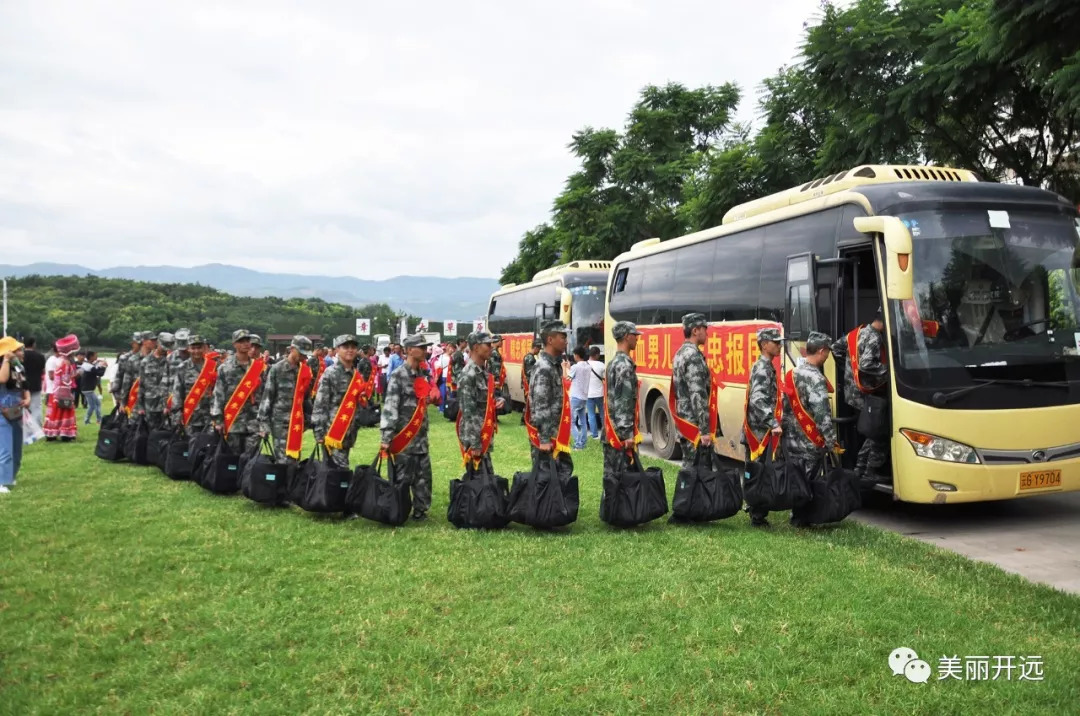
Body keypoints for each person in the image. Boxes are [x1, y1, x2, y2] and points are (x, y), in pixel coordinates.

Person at [783, 331, 843, 528]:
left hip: (792, 436)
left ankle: (796, 513)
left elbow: (784, 406)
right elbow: (821, 413)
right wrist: (830, 439)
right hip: (810, 440)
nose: (827, 357)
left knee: (797, 475)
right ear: (821, 351)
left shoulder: (792, 373)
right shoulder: (815, 378)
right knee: (809, 478)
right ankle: (801, 517)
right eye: (827, 353)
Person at [380, 334, 435, 520]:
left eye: (426, 347)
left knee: (423, 476)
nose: (425, 350)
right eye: (421, 347)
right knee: (403, 477)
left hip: (420, 436)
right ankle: (399, 507)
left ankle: (421, 509)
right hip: (404, 436)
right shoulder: (398, 375)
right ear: (409, 350)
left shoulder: (422, 374)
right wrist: (386, 437)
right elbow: (390, 407)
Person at [833, 309, 890, 483]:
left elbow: (836, 348)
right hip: (866, 392)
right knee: (878, 432)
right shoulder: (874, 337)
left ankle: (860, 469)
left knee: (871, 432)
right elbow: (866, 365)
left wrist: (848, 370)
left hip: (852, 392)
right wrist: (888, 372)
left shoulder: (857, 333)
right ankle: (868, 469)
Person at [742, 327, 786, 528]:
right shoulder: (762, 368)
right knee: (759, 472)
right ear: (764, 344)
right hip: (759, 433)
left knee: (757, 472)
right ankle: (756, 514)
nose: (779, 345)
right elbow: (758, 400)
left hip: (760, 431)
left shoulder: (766, 365)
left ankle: (754, 508)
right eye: (775, 342)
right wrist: (773, 423)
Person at [313, 335, 373, 471]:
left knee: (339, 476)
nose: (350, 350)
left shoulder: (356, 375)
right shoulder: (330, 374)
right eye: (346, 347)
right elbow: (320, 404)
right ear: (337, 350)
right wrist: (319, 432)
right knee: (337, 474)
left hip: (349, 432)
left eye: (353, 347)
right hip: (333, 431)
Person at [671, 313, 721, 468]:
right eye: (704, 329)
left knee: (690, 468)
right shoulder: (693, 356)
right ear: (695, 331)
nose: (707, 333)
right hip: (695, 426)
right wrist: (705, 430)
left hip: (685, 421)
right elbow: (697, 394)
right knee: (699, 472)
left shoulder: (680, 353)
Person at [258, 336, 314, 469]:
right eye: (300, 353)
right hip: (280, 422)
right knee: (282, 460)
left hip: (297, 422)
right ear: (292, 349)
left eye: (305, 355)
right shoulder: (277, 369)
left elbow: (306, 398)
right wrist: (263, 424)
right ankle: (282, 487)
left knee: (294, 457)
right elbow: (267, 397)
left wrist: (310, 419)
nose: (303, 358)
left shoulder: (304, 371)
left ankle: (291, 486)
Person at [528, 320, 574, 480]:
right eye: (562, 336)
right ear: (550, 340)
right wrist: (545, 439)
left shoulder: (554, 366)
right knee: (545, 481)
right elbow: (541, 406)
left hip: (556, 433)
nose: (566, 341)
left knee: (561, 475)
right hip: (547, 438)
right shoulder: (544, 368)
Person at [455, 331, 504, 474]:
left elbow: (482, 402)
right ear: (476, 347)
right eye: (487, 345)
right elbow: (468, 412)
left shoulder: (483, 372)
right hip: (474, 438)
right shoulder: (469, 374)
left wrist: (495, 402)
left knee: (486, 480)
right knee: (476, 483)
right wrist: (475, 444)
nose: (491, 348)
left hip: (484, 435)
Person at [211, 329, 266, 454]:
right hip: (233, 420)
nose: (245, 344)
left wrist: (264, 422)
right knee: (232, 459)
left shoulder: (258, 367)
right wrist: (218, 421)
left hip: (254, 421)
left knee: (251, 459)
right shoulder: (225, 368)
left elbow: (264, 396)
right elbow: (218, 395)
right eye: (241, 341)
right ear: (234, 344)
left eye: (247, 340)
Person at [603, 322, 643, 479]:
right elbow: (623, 401)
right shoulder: (625, 366)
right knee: (625, 482)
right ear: (627, 337)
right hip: (620, 436)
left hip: (611, 432)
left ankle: (609, 505)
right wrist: (627, 434)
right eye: (635, 335)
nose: (637, 339)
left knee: (611, 479)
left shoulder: (613, 363)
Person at [0, 337, 31, 493]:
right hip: (2, 411)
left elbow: (25, 384)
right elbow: (2, 379)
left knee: (16, 449)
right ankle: (2, 482)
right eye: (17, 350)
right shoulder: (3, 366)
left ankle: (11, 476)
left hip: (17, 411)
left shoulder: (19, 367)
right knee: (5, 449)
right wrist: (6, 360)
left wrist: (27, 398)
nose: (21, 352)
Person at [169, 335, 218, 433]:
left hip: (210, 417)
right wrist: (177, 418)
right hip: (190, 417)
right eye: (193, 348)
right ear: (188, 349)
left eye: (199, 348)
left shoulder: (214, 366)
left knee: (210, 446)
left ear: (204, 348)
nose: (196, 351)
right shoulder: (182, 368)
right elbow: (177, 393)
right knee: (191, 446)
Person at [43, 334, 80, 442]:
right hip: (62, 392)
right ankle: (65, 434)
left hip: (56, 392)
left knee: (55, 413)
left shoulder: (61, 361)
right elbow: (65, 380)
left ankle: (52, 433)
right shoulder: (65, 362)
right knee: (64, 412)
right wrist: (74, 376)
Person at [136, 332, 171, 430]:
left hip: (167, 405)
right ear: (158, 343)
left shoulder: (170, 361)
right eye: (163, 346)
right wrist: (140, 406)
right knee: (151, 434)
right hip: (150, 404)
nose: (164, 349)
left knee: (168, 434)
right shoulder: (145, 362)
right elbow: (141, 385)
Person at [121, 332, 155, 416]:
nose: (155, 342)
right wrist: (122, 402)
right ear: (144, 342)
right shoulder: (132, 360)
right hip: (135, 401)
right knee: (134, 427)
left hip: (152, 402)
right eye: (152, 340)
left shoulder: (156, 359)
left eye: (155, 340)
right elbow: (126, 382)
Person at [568, 346, 591, 450]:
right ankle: (583, 443)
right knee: (583, 422)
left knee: (571, 422)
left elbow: (567, 379)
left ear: (577, 355)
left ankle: (578, 444)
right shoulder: (588, 366)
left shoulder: (575, 367)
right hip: (584, 396)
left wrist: (565, 367)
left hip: (575, 396)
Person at [20, 337, 45, 427]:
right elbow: (43, 370)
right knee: (36, 407)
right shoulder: (40, 356)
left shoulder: (21, 355)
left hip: (22, 384)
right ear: (33, 344)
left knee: (23, 406)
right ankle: (37, 427)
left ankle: (25, 425)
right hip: (36, 384)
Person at [79, 351, 107, 425]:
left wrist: (98, 363)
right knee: (94, 405)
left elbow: (95, 369)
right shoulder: (89, 366)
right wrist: (104, 366)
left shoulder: (86, 364)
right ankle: (90, 420)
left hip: (87, 389)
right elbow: (99, 373)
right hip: (88, 389)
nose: (97, 357)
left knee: (96, 404)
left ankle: (95, 420)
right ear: (91, 357)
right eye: (95, 356)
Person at [520, 338, 541, 425]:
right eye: (539, 349)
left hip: (528, 384)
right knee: (530, 403)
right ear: (535, 348)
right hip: (529, 384)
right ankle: (526, 420)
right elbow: (530, 373)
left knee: (529, 403)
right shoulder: (530, 358)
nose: (539, 351)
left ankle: (524, 420)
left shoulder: (528, 356)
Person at [586, 346, 605, 439]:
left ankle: (594, 435)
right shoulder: (601, 365)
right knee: (602, 414)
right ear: (597, 355)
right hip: (599, 394)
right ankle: (605, 433)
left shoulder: (584, 365)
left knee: (591, 415)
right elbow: (605, 378)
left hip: (588, 395)